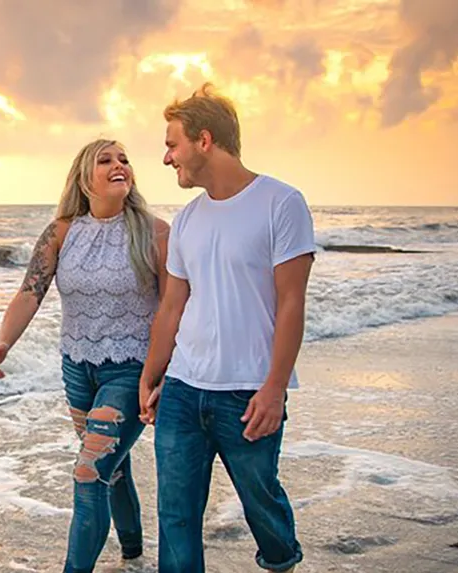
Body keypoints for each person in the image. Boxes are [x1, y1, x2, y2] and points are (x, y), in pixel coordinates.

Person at [138, 83, 314, 573]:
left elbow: (291, 301)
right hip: (182, 390)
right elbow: (172, 307)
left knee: (263, 506)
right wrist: (152, 376)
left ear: (205, 140)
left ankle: (282, 561)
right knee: (175, 515)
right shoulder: (187, 219)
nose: (167, 157)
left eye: (173, 144)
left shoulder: (281, 203)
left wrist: (275, 387)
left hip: (247, 393)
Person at [0, 139, 170, 573]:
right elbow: (31, 292)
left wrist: (161, 372)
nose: (118, 165)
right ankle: (133, 556)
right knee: (111, 465)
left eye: (123, 159)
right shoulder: (62, 231)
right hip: (77, 367)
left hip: (131, 368)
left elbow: (173, 307)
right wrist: (3, 343)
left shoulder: (156, 231)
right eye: (105, 160)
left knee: (89, 471)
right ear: (84, 178)